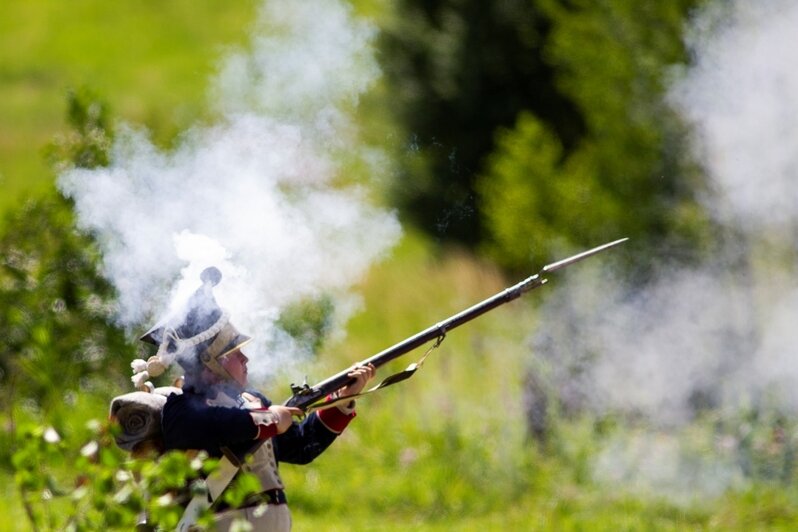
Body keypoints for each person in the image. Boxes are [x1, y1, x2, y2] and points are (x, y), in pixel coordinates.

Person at [138, 268, 375, 531]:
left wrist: (342, 401)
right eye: (234, 352)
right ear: (209, 363)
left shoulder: (252, 401)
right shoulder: (181, 410)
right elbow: (221, 425)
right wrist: (271, 418)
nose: (245, 359)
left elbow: (301, 447)